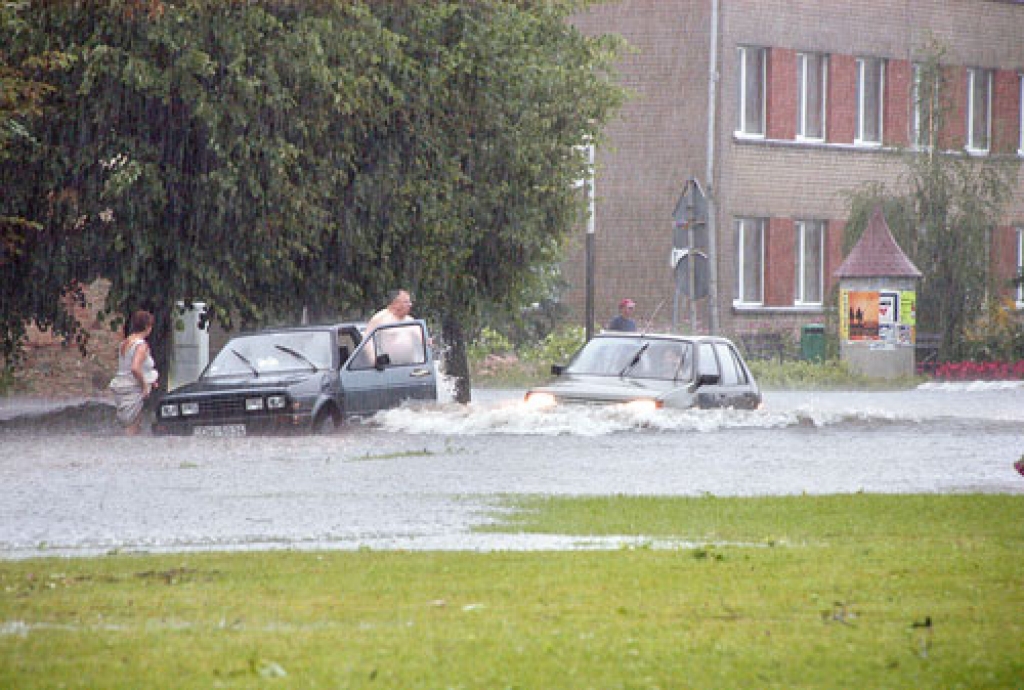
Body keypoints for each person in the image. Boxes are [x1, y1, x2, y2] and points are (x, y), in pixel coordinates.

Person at [109, 310, 158, 435]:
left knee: (130, 424)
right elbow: (135, 368)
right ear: (147, 327)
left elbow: (131, 367)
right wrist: (145, 386)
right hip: (133, 389)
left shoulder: (124, 343)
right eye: (151, 326)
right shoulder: (141, 345)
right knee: (133, 426)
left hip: (121, 386)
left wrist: (151, 380)